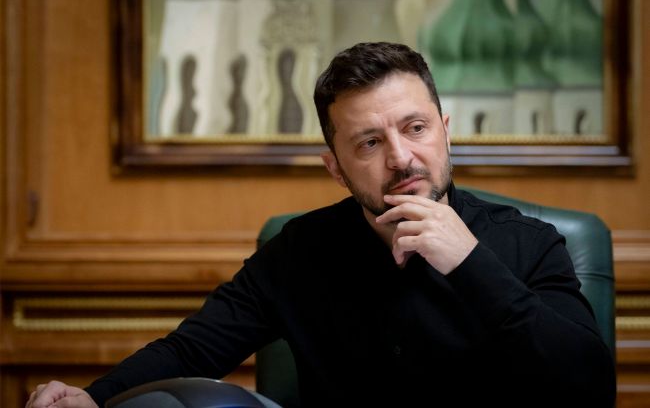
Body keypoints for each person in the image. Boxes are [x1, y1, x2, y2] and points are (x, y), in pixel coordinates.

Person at [27, 42, 615, 408]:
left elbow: (588, 387)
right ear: (335, 168)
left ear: (445, 131)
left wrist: (470, 263)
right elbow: (193, 349)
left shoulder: (529, 243)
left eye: (415, 129)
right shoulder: (299, 252)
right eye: (369, 142)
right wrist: (93, 398)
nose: (401, 158)